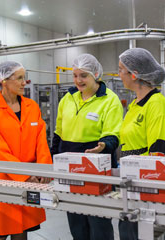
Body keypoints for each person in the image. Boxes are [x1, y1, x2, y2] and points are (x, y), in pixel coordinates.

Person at [51, 53, 123, 240]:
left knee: (98, 222)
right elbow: (59, 131)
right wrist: (52, 157)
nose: (78, 80)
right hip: (70, 169)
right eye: (75, 75)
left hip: (96, 168)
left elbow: (113, 133)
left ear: (96, 74)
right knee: (76, 223)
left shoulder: (109, 99)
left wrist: (103, 146)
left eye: (83, 75)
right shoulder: (68, 98)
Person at [0, 61, 52, 240]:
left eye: (24, 78)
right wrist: (24, 174)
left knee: (22, 229)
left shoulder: (32, 107)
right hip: (2, 181)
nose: (24, 82)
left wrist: (43, 169)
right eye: (19, 78)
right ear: (4, 81)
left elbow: (41, 140)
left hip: (30, 179)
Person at [118, 48, 165, 240]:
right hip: (131, 184)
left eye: (121, 70)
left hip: (147, 187)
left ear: (134, 74)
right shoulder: (135, 104)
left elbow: (159, 153)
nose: (119, 75)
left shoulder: (157, 103)